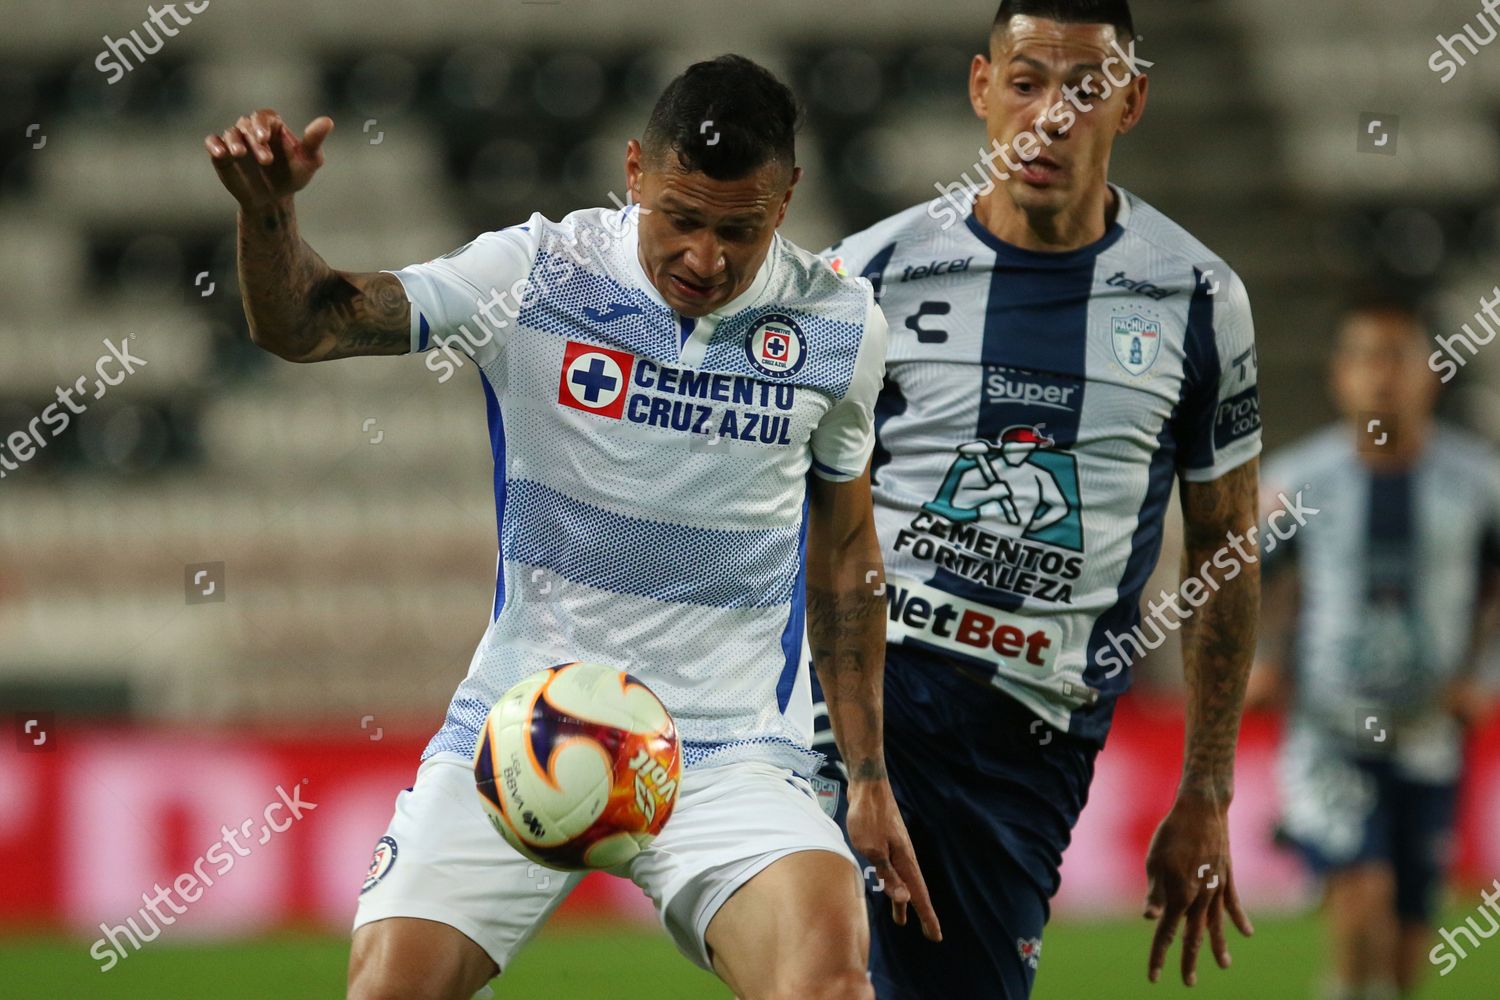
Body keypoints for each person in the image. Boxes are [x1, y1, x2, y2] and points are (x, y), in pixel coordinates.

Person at [204, 54, 938, 1000]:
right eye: (681, 219)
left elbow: (844, 550)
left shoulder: (839, 328)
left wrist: (869, 777)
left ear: (788, 197)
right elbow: (305, 325)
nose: (704, 259)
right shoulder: (539, 273)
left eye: (737, 230)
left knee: (829, 987)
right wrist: (269, 214)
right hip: (521, 724)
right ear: (634, 172)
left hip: (729, 752)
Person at [810, 1, 1261, 995]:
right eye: (1026, 83)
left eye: (1085, 88)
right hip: (861, 693)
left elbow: (1227, 545)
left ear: (1131, 100)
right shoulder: (870, 274)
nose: (1051, 116)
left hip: (1026, 743)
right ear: (982, 89)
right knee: (813, 970)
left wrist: (1208, 784)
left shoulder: (1197, 299)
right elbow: (798, 498)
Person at [1249, 298, 1500, 1000]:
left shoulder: (1477, 482)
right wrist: (1263, 660)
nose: (1381, 376)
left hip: (1427, 737)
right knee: (1365, 893)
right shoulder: (1299, 480)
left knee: (1404, 954)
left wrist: (1483, 673)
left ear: (1431, 374)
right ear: (1340, 376)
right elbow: (1249, 583)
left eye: (1398, 356)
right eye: (1364, 357)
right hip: (1329, 730)